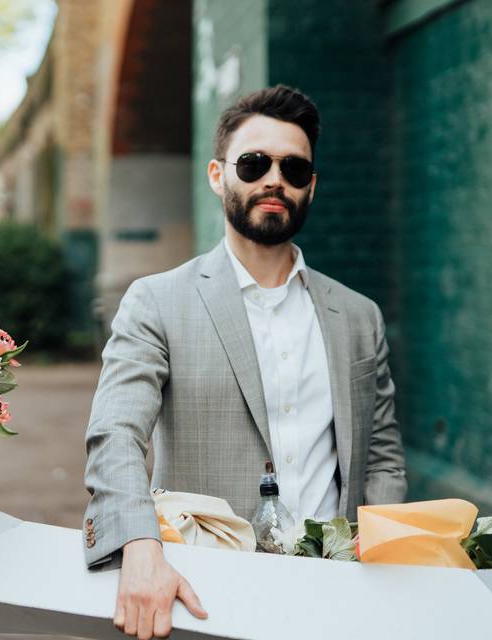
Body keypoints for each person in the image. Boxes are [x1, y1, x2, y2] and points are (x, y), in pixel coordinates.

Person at [82, 85, 407, 640]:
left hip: (338, 597)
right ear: (218, 174)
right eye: (254, 164)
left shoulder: (359, 316)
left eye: (294, 169)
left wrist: (388, 567)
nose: (274, 180)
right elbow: (115, 434)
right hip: (204, 592)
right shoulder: (157, 300)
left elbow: (381, 458)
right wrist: (139, 548)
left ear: (312, 187)